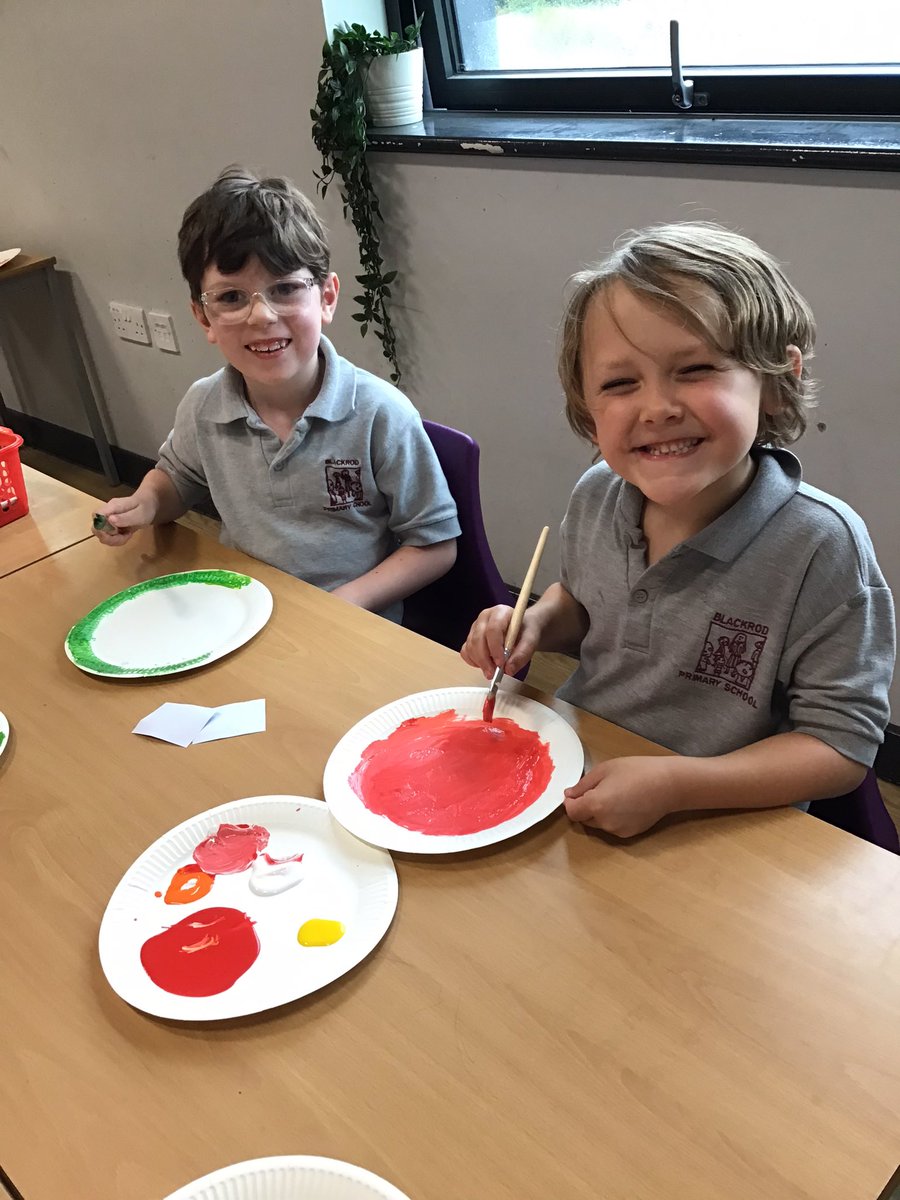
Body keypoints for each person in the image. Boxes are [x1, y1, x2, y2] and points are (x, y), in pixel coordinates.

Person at [462, 222, 895, 837]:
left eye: (694, 369)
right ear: (588, 408)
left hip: (721, 821)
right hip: (576, 775)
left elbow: (840, 750)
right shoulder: (597, 496)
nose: (657, 407)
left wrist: (678, 785)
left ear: (776, 380)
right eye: (619, 383)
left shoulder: (824, 547)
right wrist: (534, 621)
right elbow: (587, 605)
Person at [92, 166, 459, 622]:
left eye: (285, 288)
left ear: (326, 297)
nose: (262, 316)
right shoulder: (204, 405)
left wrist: (345, 602)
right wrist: (146, 502)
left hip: (349, 628)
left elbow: (436, 544)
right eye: (230, 298)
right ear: (203, 318)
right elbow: (178, 479)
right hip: (238, 613)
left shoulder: (379, 414)